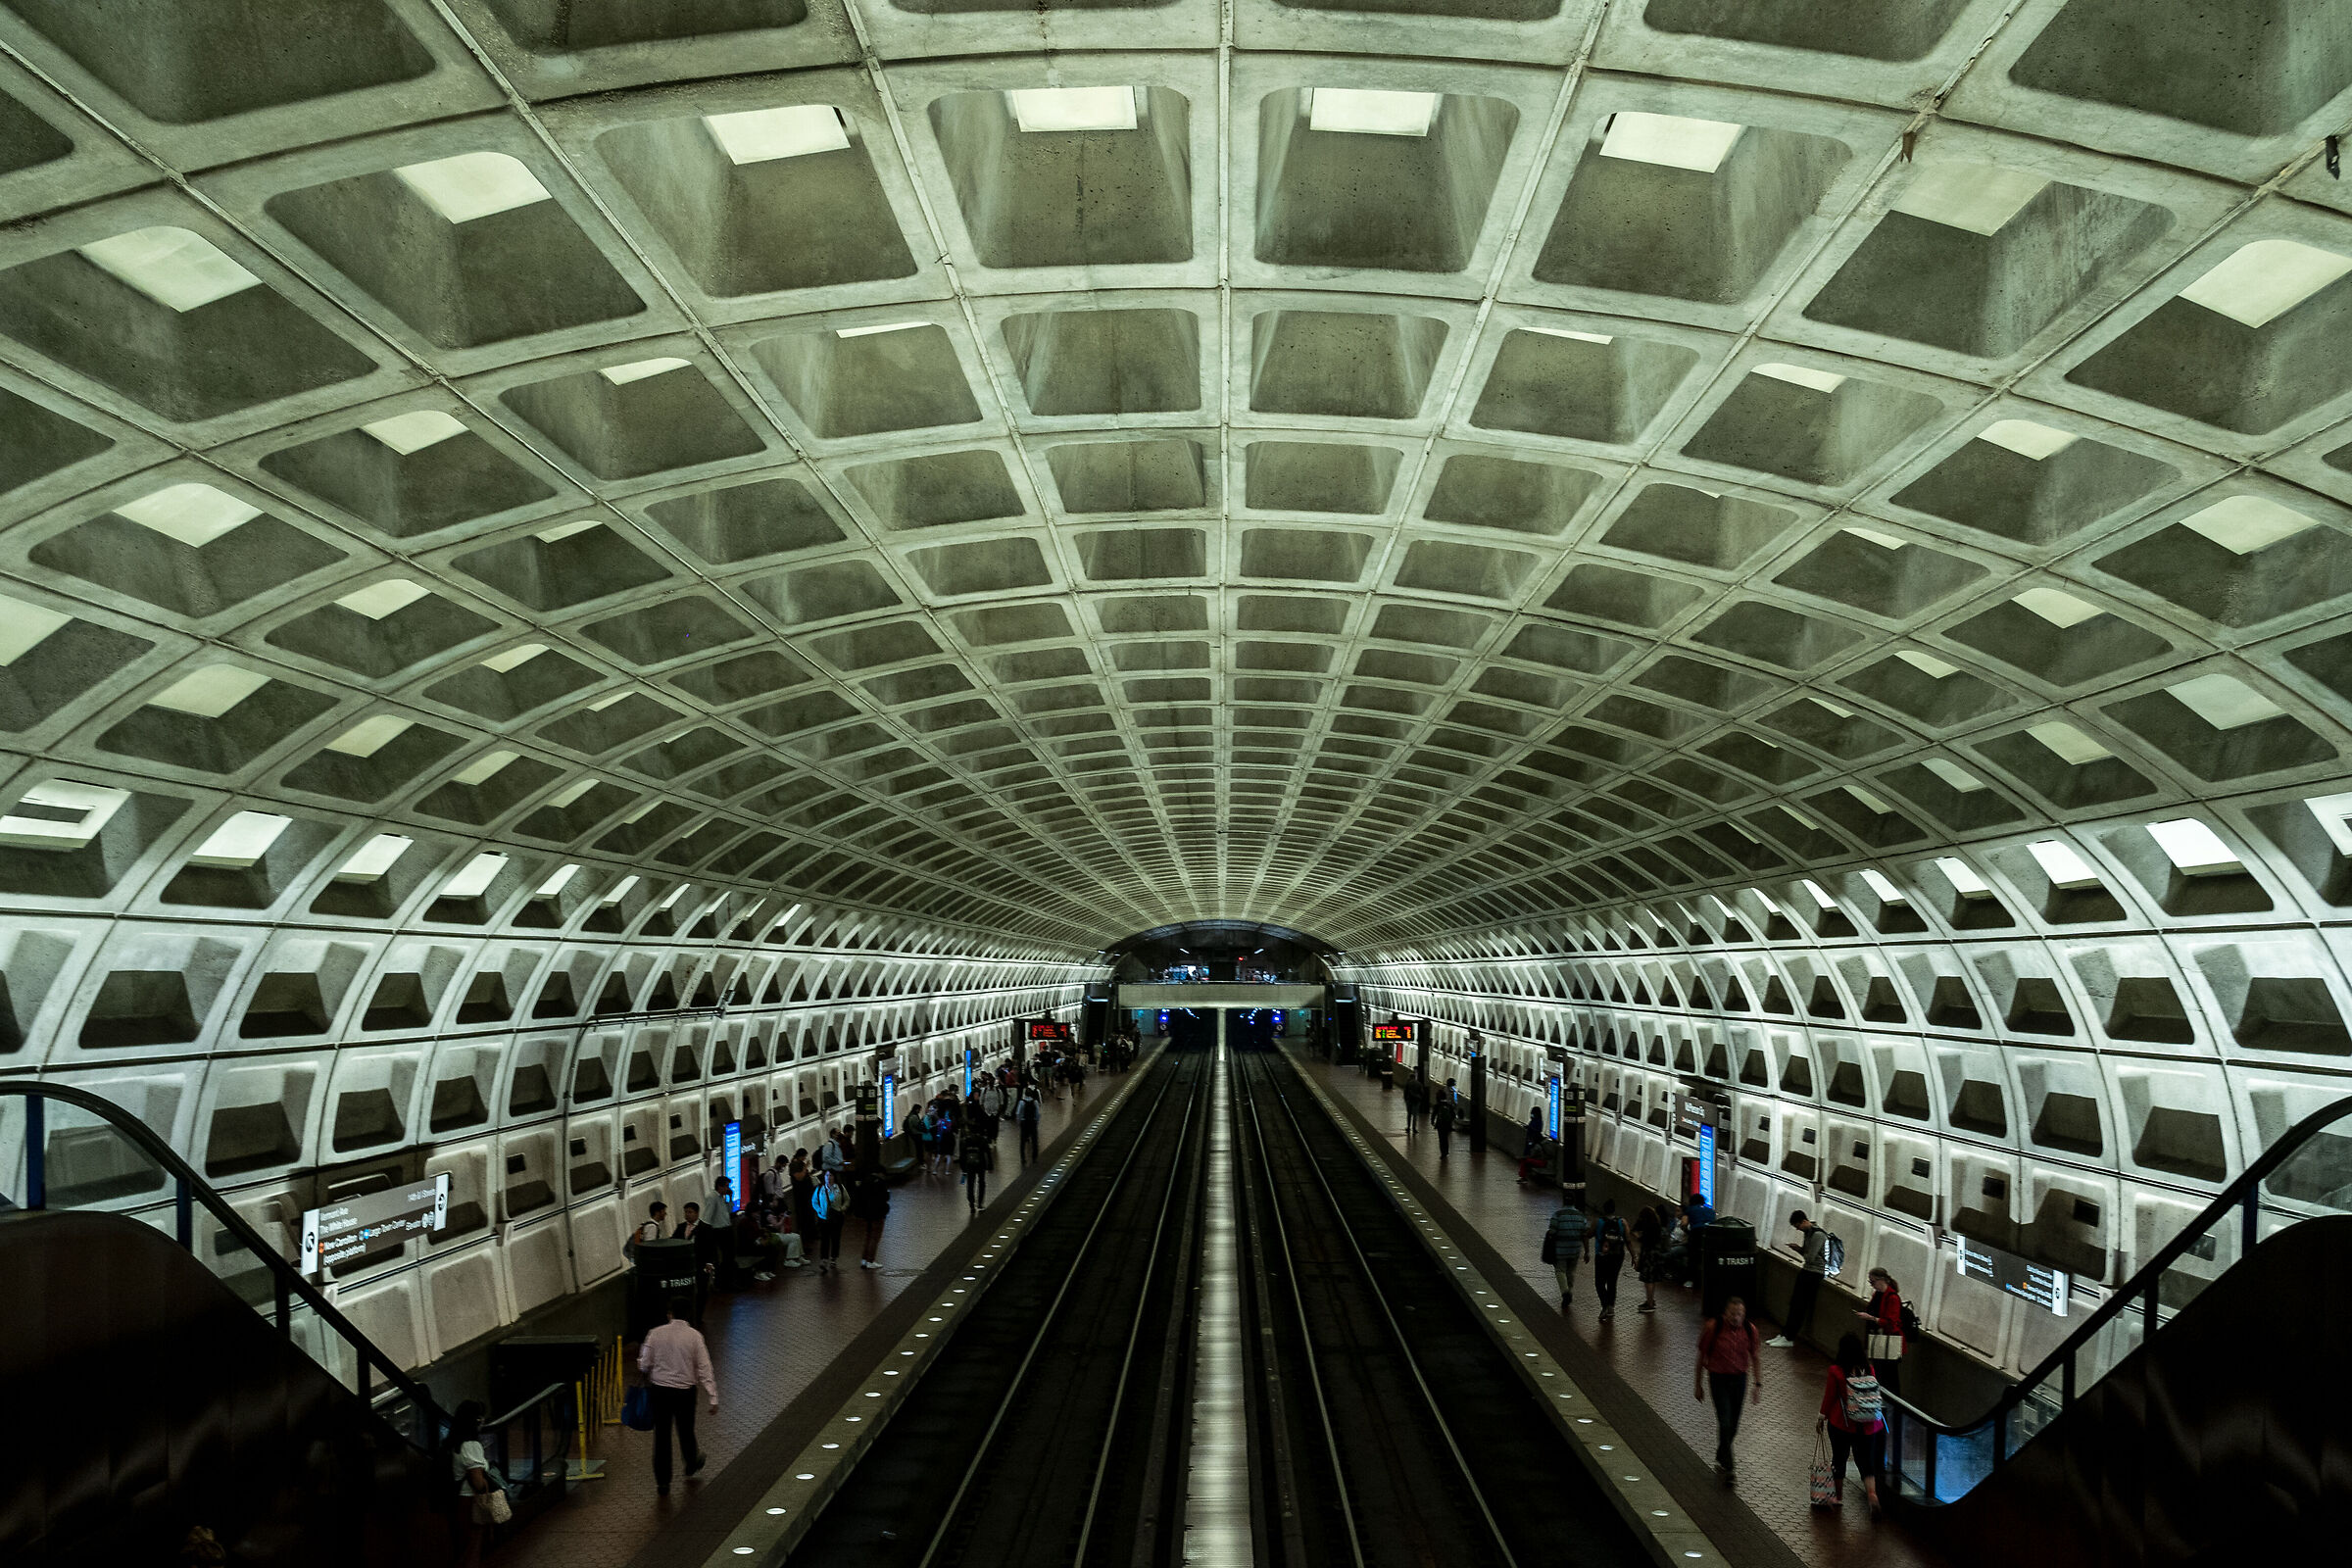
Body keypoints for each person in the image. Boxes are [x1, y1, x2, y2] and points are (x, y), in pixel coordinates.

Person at [637, 1296, 716, 1496]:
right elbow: (704, 1367)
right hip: (685, 1392)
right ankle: (691, 1462)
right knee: (686, 1430)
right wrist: (712, 1396)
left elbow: (644, 1364)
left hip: (660, 1391)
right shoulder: (694, 1336)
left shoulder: (655, 1334)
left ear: (669, 1314)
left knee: (662, 1436)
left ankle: (663, 1482)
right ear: (688, 1314)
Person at [1694, 1296, 1763, 1484]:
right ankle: (1730, 1466)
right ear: (1725, 1313)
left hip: (1739, 1380)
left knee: (1733, 1425)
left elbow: (1755, 1356)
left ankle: (1721, 1453)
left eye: (1739, 1314)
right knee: (1724, 1421)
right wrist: (1698, 1384)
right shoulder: (1713, 1327)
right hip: (1719, 1379)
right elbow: (1701, 1356)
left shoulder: (1750, 1330)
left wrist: (1757, 1384)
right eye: (1732, 1313)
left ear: (1744, 1314)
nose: (1736, 1317)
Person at [1817, 1333, 1886, 1517]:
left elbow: (1829, 1397)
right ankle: (1872, 1495)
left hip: (1842, 1423)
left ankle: (1838, 1497)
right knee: (1866, 1462)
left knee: (1839, 1459)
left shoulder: (1836, 1371)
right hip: (1869, 1425)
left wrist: (1821, 1417)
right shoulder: (1869, 1369)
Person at [1769, 1210, 1829, 1348]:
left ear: (1804, 1221)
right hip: (1807, 1271)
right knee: (1794, 1303)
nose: (1797, 1229)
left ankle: (1790, 1337)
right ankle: (1785, 1334)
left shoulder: (1818, 1235)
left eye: (1797, 1226)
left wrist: (1801, 1251)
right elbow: (1808, 1255)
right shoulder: (1808, 1233)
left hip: (1814, 1273)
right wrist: (1799, 1249)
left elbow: (1810, 1258)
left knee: (1800, 1305)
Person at [448, 1398, 495, 1567]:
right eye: (480, 1418)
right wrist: (487, 1487)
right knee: (473, 1545)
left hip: (458, 1498)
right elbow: (478, 1482)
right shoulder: (471, 1445)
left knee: (465, 1545)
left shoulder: (454, 1442)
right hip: (471, 1500)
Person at [1857, 1267, 1906, 1395]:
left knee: (1890, 1376)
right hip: (1878, 1338)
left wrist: (1871, 1318)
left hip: (1888, 1341)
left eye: (1872, 1282)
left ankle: (1893, 1401)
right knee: (1879, 1373)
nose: (1872, 1285)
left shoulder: (1892, 1297)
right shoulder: (1878, 1295)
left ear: (1881, 1280)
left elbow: (1890, 1322)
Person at [672, 1202, 722, 1324]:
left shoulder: (706, 1228)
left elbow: (711, 1248)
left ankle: (698, 1316)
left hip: (700, 1265)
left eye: (690, 1212)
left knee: (701, 1291)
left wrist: (710, 1263)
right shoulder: (680, 1227)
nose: (687, 1215)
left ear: (697, 1213)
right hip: (684, 1267)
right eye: (686, 1212)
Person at [1544, 1196, 1591, 1310]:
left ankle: (1565, 1293)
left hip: (1560, 1249)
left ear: (1564, 1202)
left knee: (1560, 1270)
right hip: (1575, 1249)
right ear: (1574, 1202)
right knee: (1570, 1271)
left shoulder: (1557, 1215)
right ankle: (1569, 1290)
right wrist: (1587, 1251)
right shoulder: (1580, 1216)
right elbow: (1585, 1235)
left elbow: (1552, 1232)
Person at [1592, 1199, 1629, 1322]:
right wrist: (1634, 1256)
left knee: (1599, 1282)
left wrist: (1586, 1251)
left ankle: (1605, 1306)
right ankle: (1611, 1307)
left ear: (1604, 1209)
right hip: (1617, 1256)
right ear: (1614, 1209)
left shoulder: (1598, 1221)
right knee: (1612, 1281)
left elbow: (1588, 1234)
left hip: (1601, 1255)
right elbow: (1628, 1240)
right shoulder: (1622, 1222)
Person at [852, 1162, 890, 1270]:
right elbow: (885, 1197)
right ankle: (870, 1260)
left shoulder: (865, 1181)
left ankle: (864, 1259)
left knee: (868, 1236)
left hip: (867, 1214)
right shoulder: (880, 1183)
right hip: (878, 1214)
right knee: (875, 1237)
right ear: (881, 1173)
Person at [811, 1167, 847, 1271]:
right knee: (824, 1239)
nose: (828, 1177)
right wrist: (819, 1210)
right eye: (827, 1175)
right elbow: (814, 1201)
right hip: (824, 1218)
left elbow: (847, 1199)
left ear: (834, 1177)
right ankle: (824, 1259)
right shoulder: (820, 1188)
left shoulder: (840, 1187)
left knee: (835, 1238)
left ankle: (833, 1258)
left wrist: (842, 1208)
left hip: (837, 1217)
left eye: (831, 1175)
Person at [1631, 1204, 1663, 1313]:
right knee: (1651, 1279)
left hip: (1648, 1254)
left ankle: (1649, 1304)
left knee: (1648, 1279)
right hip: (1655, 1254)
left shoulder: (1647, 1228)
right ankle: (1650, 1300)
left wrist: (1638, 1236)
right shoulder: (1656, 1225)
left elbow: (1636, 1232)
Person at [958, 1117, 996, 1213]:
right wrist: (990, 1166)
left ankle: (971, 1204)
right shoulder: (982, 1140)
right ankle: (980, 1203)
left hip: (969, 1165)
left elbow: (962, 1155)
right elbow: (988, 1153)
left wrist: (963, 1168)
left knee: (970, 1184)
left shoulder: (965, 1140)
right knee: (981, 1182)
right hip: (981, 1164)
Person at [1432, 1079, 1459, 1159]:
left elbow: (1434, 1114)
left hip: (1440, 1123)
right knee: (1446, 1137)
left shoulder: (1437, 1105)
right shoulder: (1449, 1103)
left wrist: (1432, 1121)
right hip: (1447, 1123)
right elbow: (1453, 1114)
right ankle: (1446, 1151)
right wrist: (1450, 1120)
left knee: (1441, 1138)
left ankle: (1443, 1153)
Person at [1016, 1084, 1042, 1164]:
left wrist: (1019, 1122)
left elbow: (1018, 1113)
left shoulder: (1021, 1102)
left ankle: (1023, 1158)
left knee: (1022, 1142)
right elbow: (1037, 1114)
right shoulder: (1035, 1102)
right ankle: (1034, 1157)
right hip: (1032, 1122)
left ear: (1025, 1094)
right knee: (1034, 1141)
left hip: (1024, 1123)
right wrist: (1036, 1121)